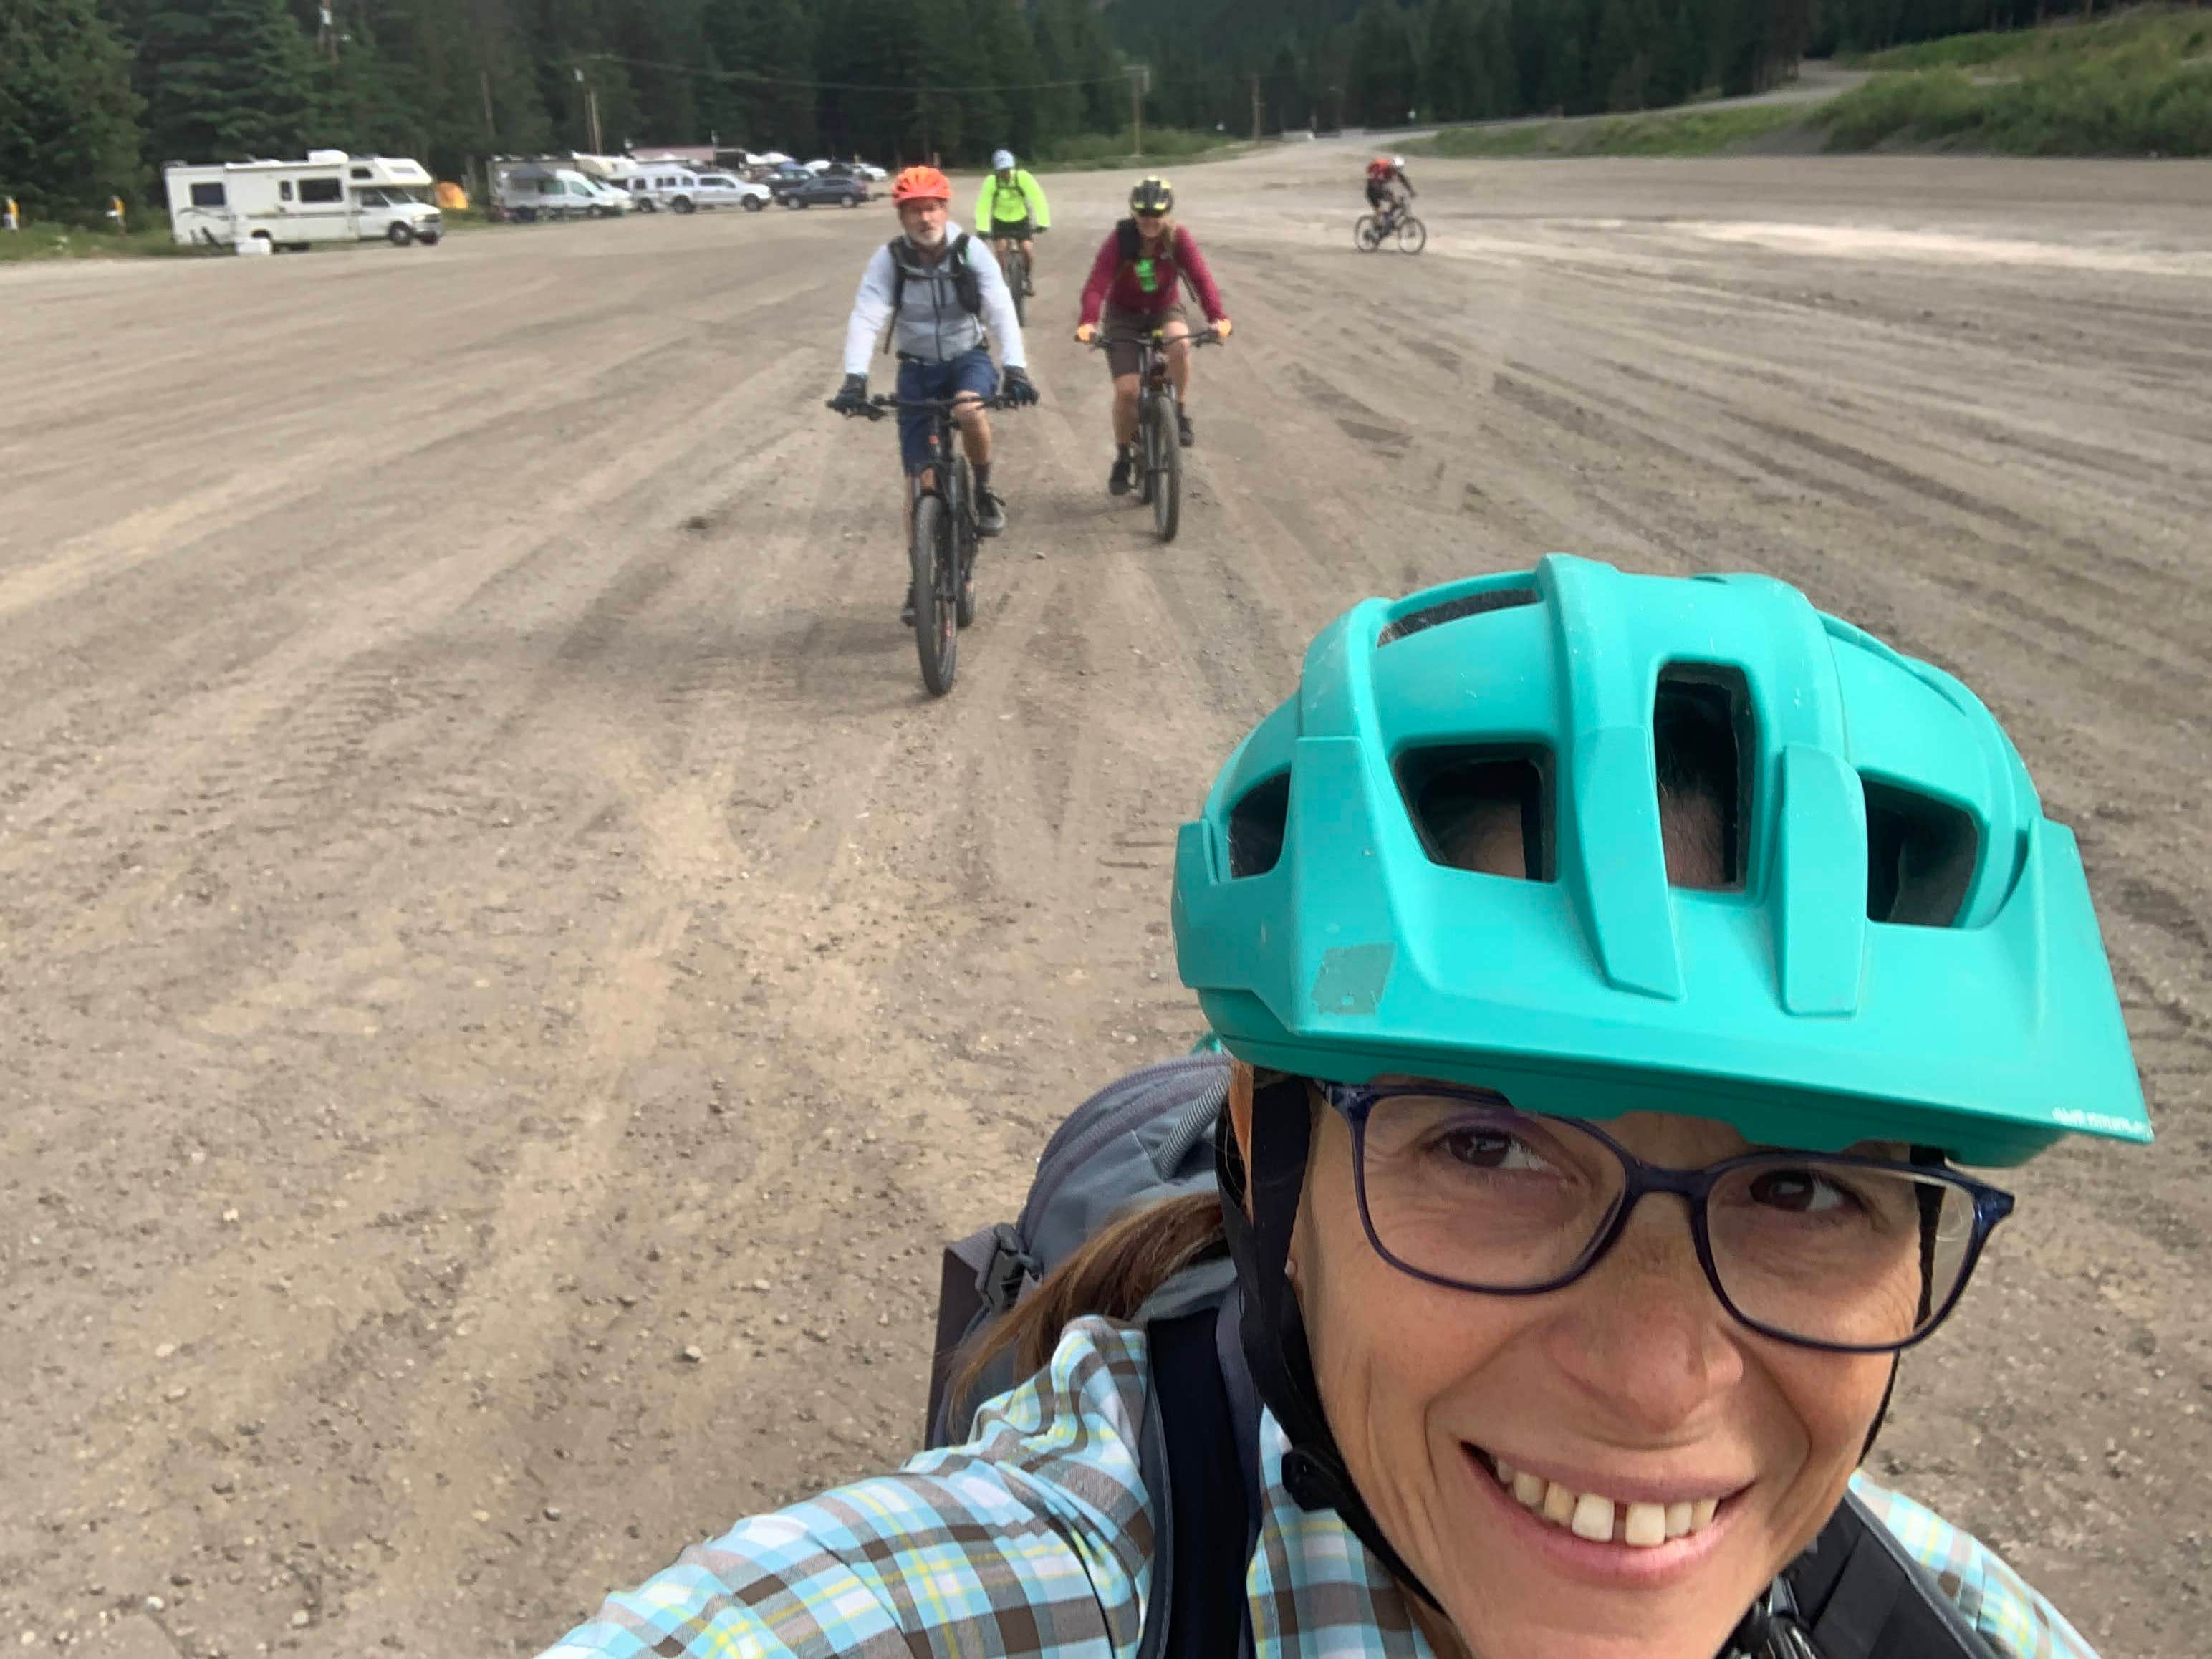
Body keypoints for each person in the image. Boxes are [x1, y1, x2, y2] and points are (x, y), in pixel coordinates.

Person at [537, 557, 2143, 1659]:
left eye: (1805, 1192)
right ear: (1265, 1162)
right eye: (1490, 1149)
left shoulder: (1934, 1626)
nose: (1656, 1382)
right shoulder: (1041, 1596)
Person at [829, 165, 1037, 620]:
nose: (926, 219)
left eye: (933, 208)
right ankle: (918, 579)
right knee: (918, 481)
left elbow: (1000, 306)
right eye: (915, 211)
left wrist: (1016, 368)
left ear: (946, 209)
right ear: (901, 216)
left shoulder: (970, 251)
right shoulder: (889, 259)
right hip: (918, 369)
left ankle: (982, 490)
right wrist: (855, 378)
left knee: (968, 410)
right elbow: (867, 315)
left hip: (968, 357)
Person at [1074, 175, 1232, 496]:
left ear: (1167, 213)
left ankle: (1180, 412)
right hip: (1124, 317)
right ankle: (1122, 456)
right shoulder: (1120, 240)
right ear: (1134, 213)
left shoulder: (1178, 239)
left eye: (1156, 214)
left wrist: (1218, 317)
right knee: (1128, 391)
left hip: (1164, 309)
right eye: (1143, 214)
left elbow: (1202, 279)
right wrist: (1089, 322)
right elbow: (1097, 284)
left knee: (1181, 344)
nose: (1150, 221)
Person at [975, 149, 1049, 295]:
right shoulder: (991, 181)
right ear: (997, 170)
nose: (1005, 173)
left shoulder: (1023, 178)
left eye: (1008, 169)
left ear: (1013, 167)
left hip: (1021, 220)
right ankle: (1001, 281)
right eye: (1002, 170)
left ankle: (1027, 279)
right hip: (1000, 220)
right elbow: (983, 205)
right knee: (1001, 251)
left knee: (1027, 250)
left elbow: (1038, 198)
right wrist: (982, 228)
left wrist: (1043, 221)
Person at [1367, 153, 1414, 229]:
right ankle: (1374, 229)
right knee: (1379, 211)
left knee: (1395, 202)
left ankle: (1387, 220)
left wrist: (1411, 191)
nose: (1395, 172)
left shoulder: (1396, 171)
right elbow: (1373, 181)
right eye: (1395, 170)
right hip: (1372, 190)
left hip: (1381, 188)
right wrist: (1385, 192)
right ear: (1392, 166)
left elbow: (1403, 180)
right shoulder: (1381, 168)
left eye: (1397, 171)